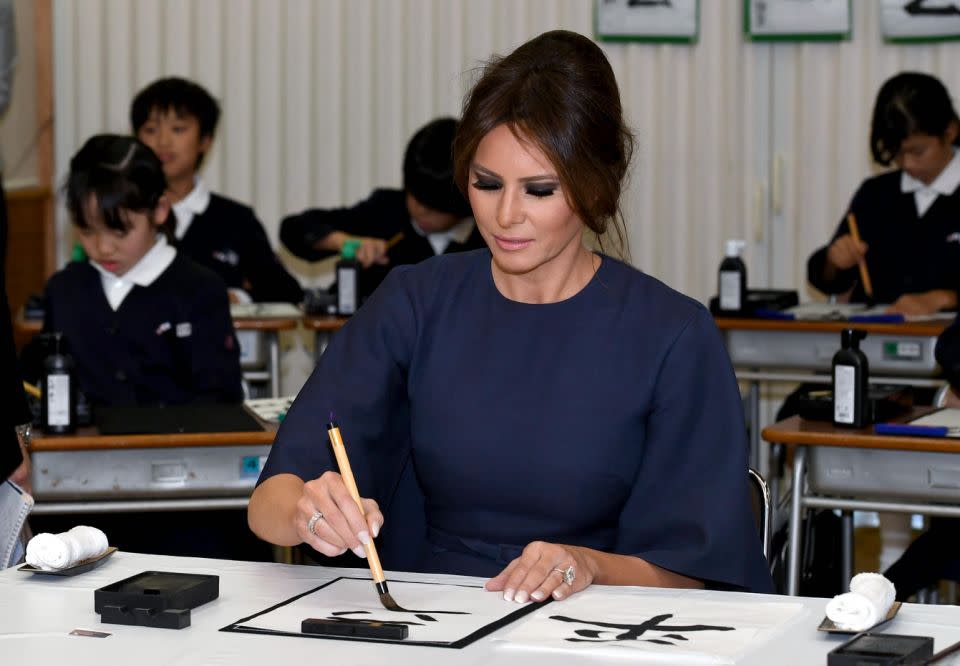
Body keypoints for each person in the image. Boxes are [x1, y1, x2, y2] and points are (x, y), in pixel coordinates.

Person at [250, 30, 772, 599]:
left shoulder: (670, 336)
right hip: (428, 617)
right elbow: (269, 503)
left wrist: (589, 566)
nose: (505, 215)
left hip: (595, 631)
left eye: (540, 190)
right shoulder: (415, 303)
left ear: (596, 187)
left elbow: (699, 573)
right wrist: (309, 511)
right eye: (486, 183)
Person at [34, 135, 243, 407]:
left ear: (159, 210)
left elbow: (221, 398)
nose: (103, 247)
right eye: (87, 231)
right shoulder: (63, 290)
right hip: (83, 449)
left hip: (179, 447)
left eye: (120, 231)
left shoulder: (200, 289)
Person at [131, 77, 303, 304]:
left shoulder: (237, 220)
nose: (163, 141)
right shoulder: (124, 214)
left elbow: (286, 292)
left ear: (205, 140)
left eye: (178, 129)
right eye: (151, 129)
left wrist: (237, 297)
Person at [279, 117, 483, 304]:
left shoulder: (485, 234)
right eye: (414, 194)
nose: (420, 209)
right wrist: (346, 243)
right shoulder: (387, 210)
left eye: (432, 205)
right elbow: (294, 229)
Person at [807, 72, 960, 315]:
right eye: (898, 154)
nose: (907, 164)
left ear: (950, 132)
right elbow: (828, 279)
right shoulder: (876, 195)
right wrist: (834, 262)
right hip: (878, 337)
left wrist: (946, 298)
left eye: (918, 151)